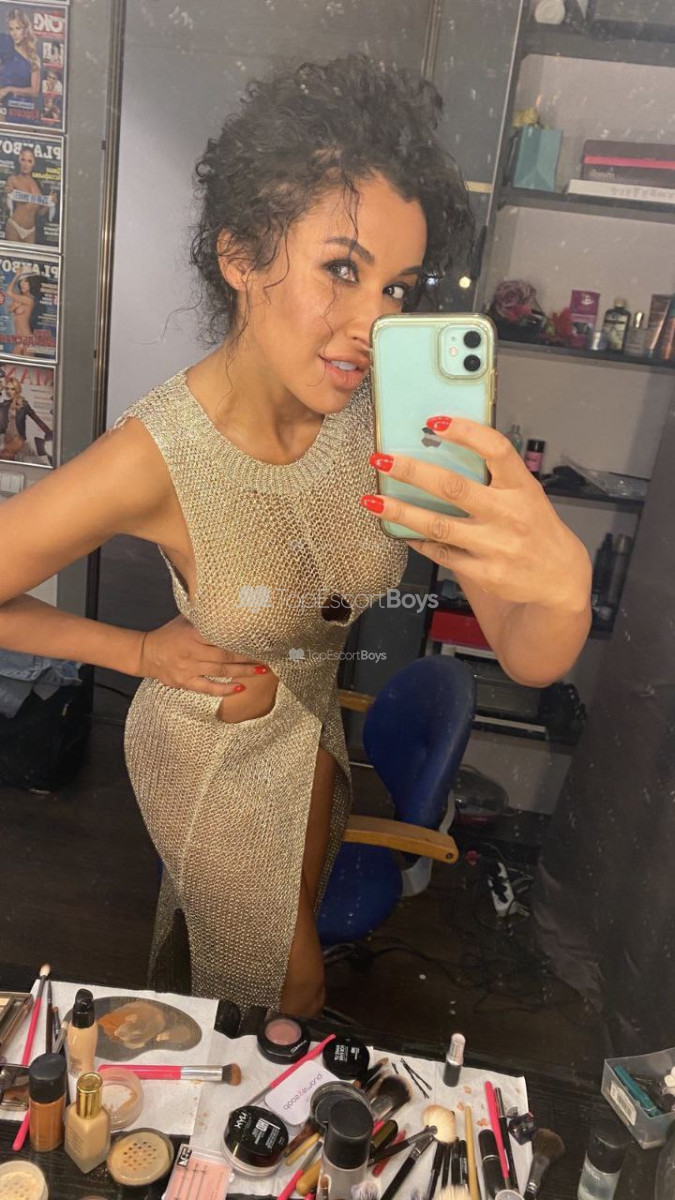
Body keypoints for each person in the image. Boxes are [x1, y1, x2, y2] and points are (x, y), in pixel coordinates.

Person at [0, 55, 591, 1015]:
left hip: (310, 731)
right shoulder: (159, 453)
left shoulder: (387, 420)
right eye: (341, 270)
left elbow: (527, 653)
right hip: (208, 753)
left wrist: (562, 585)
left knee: (244, 986)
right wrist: (137, 652)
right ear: (241, 256)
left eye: (397, 287)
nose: (372, 323)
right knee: (290, 993)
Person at [3, 145, 57, 245]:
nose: (26, 164)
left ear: (34, 163)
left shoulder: (38, 185)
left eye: (29, 161)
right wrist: (7, 191)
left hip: (31, 231)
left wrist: (50, 203)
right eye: (23, 160)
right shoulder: (13, 179)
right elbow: (6, 199)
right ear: (19, 161)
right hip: (14, 226)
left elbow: (40, 213)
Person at [0, 373, 52, 461]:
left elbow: (36, 418)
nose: (9, 391)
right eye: (7, 389)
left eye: (12, 389)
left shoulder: (23, 405)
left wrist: (48, 432)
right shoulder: (4, 405)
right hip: (6, 440)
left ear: (17, 390)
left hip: (18, 440)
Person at [0, 8, 40, 110]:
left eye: (18, 28)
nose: (14, 33)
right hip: (3, 107)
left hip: (24, 109)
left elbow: (35, 91)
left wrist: (9, 89)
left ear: (25, 30)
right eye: (11, 29)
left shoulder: (33, 57)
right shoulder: (4, 52)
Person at [2, 267, 40, 355]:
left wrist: (16, 276)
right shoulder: (18, 297)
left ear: (31, 284)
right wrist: (14, 306)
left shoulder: (29, 300)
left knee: (28, 364)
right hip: (18, 340)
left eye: (26, 281)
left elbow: (8, 292)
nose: (22, 284)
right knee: (11, 362)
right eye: (21, 281)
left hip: (28, 339)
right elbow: (9, 310)